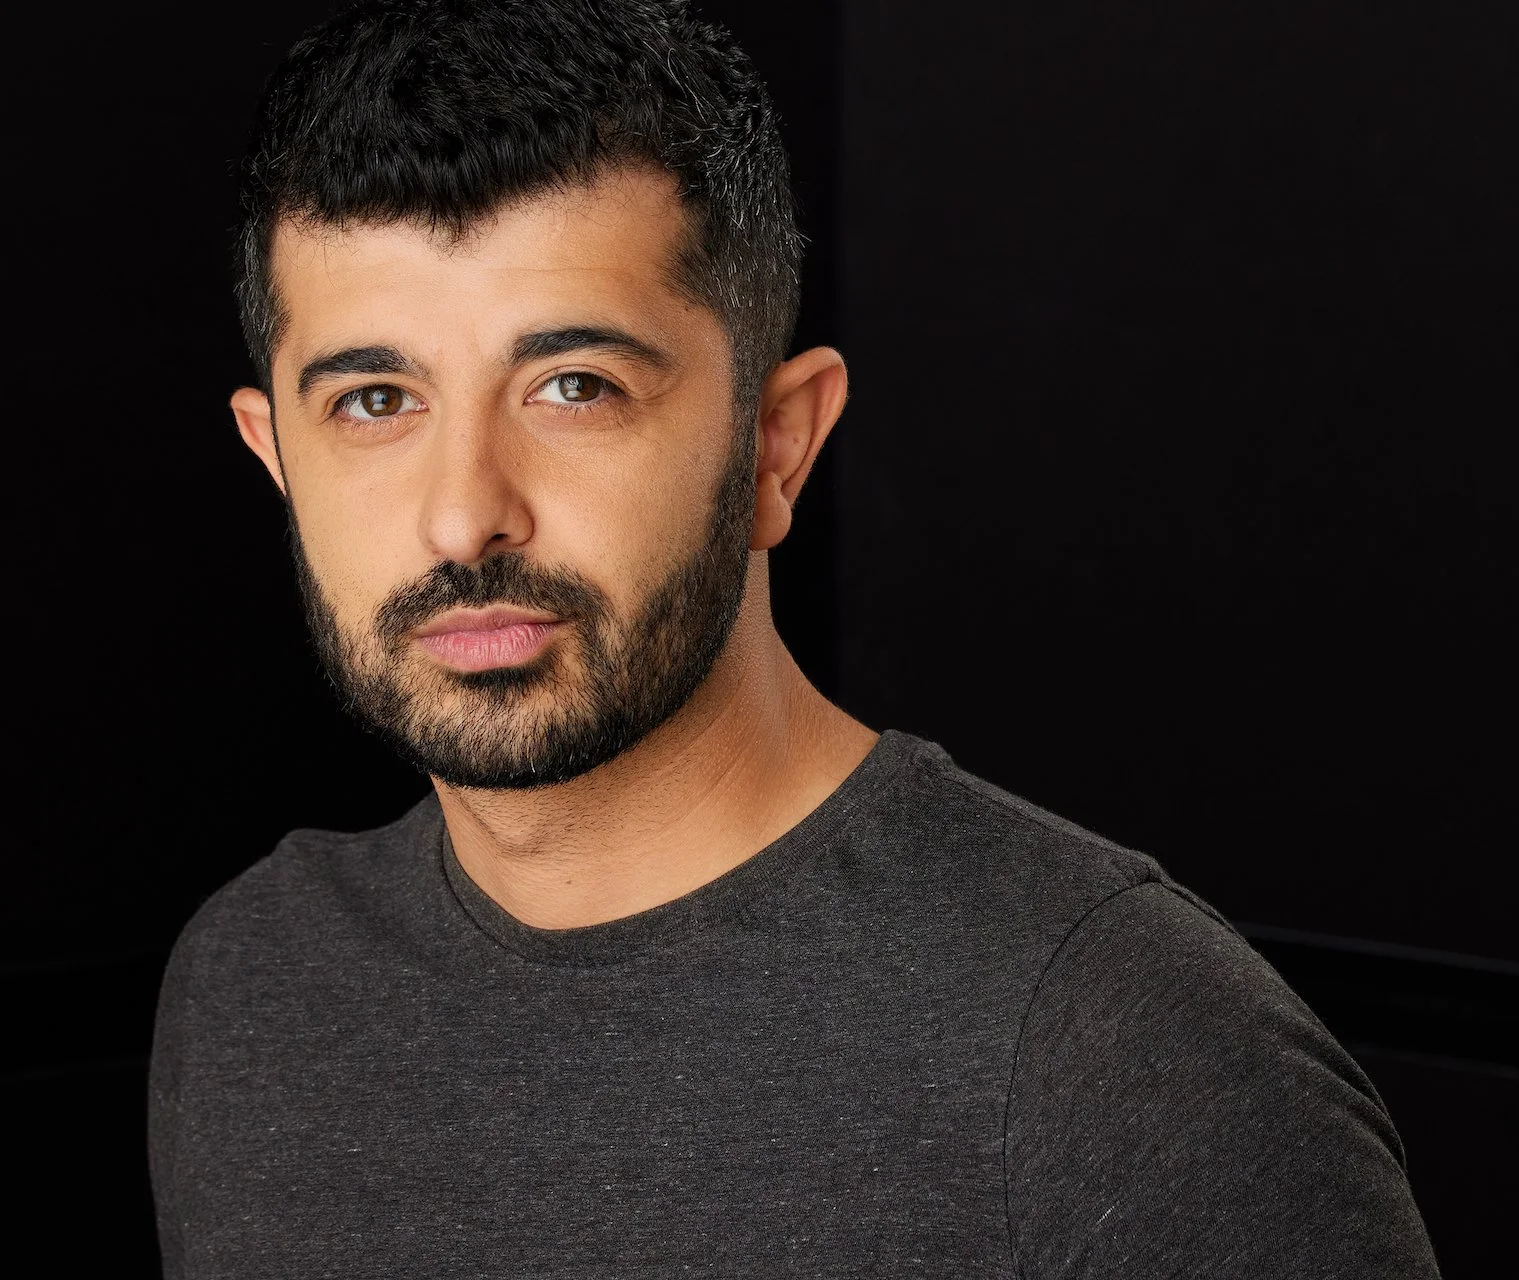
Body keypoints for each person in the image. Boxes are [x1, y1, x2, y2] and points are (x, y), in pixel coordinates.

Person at [148, 1, 1440, 1274]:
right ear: (277, 457)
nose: (465, 515)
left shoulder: (1119, 1051)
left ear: (778, 443)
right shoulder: (256, 987)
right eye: (376, 401)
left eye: (575, 388)